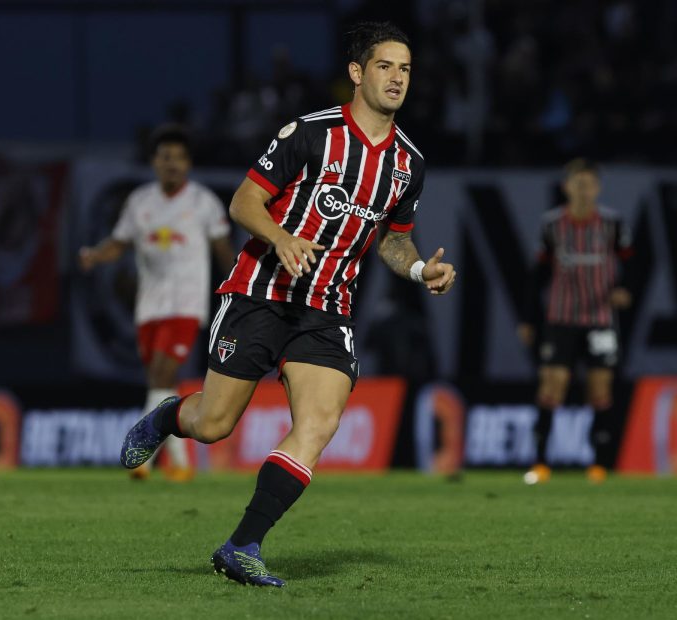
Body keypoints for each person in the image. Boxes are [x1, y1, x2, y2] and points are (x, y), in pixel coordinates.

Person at [120, 21, 456, 586]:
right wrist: (281, 237)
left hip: (327, 306)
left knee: (320, 423)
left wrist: (421, 268)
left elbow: (393, 237)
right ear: (357, 73)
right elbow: (244, 200)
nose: (398, 78)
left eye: (405, 69)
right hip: (261, 291)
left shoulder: (408, 164)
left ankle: (242, 544)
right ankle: (169, 416)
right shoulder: (311, 133)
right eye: (385, 66)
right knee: (214, 424)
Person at [79, 125, 236, 481]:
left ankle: (144, 459)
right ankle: (179, 462)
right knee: (158, 383)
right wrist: (95, 255)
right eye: (166, 158)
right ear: (154, 162)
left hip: (185, 305)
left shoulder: (202, 202)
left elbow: (223, 250)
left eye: (179, 158)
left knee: (163, 375)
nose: (172, 165)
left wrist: (241, 284)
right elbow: (119, 243)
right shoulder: (140, 202)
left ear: (188, 164)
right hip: (148, 307)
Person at [518, 158, 633, 485]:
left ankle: (599, 465)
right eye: (577, 184)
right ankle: (540, 464)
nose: (583, 190)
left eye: (589, 184)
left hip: (600, 320)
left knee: (600, 390)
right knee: (551, 385)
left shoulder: (612, 224)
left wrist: (626, 290)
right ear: (567, 187)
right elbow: (538, 274)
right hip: (561, 318)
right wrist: (528, 319)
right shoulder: (552, 225)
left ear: (597, 188)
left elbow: (632, 264)